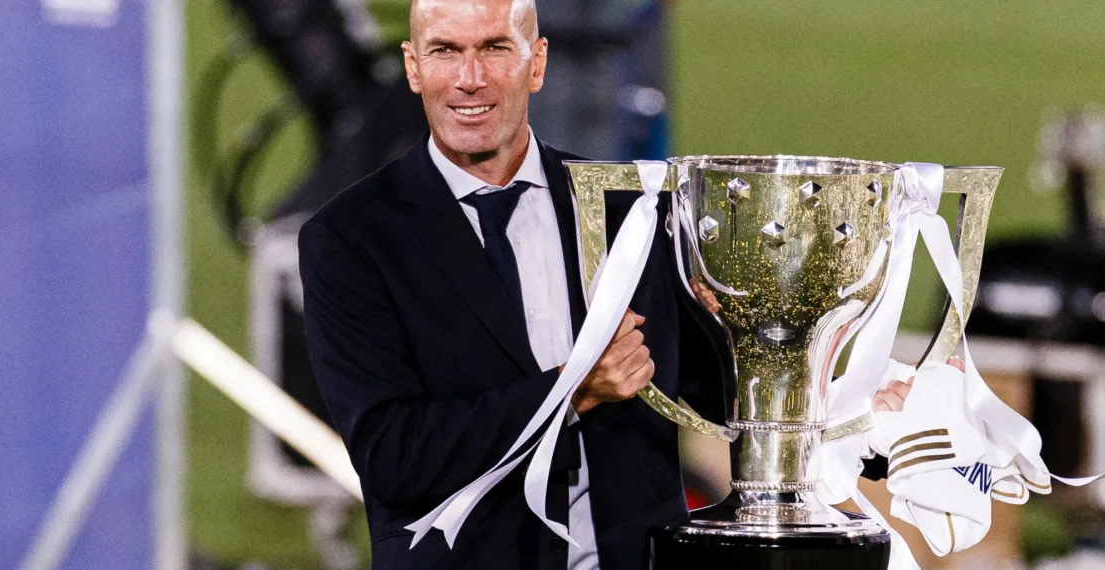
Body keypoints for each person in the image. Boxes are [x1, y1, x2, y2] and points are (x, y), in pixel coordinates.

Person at [298, 0, 915, 568]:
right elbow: (393, 457)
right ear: (413, 66)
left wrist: (854, 412)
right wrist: (572, 392)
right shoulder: (351, 240)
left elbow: (715, 394)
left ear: (537, 62)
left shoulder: (634, 211)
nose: (470, 79)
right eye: (444, 51)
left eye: (494, 48)